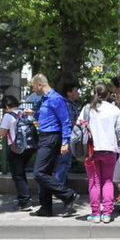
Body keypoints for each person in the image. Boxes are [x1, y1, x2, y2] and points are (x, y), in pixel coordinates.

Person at [24, 74, 79, 217]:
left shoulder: (55, 98)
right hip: (45, 137)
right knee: (45, 173)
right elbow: (48, 118)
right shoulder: (46, 98)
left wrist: (65, 142)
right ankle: (46, 208)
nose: (32, 88)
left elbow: (65, 121)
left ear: (40, 84)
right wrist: (34, 114)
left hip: (51, 138)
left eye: (33, 85)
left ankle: (68, 194)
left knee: (38, 173)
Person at [80, 83, 120, 223]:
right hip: (109, 149)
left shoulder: (87, 109)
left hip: (91, 150)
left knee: (94, 182)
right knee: (107, 181)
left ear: (94, 93)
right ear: (108, 95)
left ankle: (95, 213)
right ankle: (106, 213)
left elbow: (80, 127)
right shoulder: (114, 110)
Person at [0, 95, 35, 210]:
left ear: (7, 106)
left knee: (18, 175)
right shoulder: (25, 112)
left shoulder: (8, 116)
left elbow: (2, 133)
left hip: (16, 149)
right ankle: (25, 197)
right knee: (21, 173)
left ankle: (25, 201)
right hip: (30, 148)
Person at [53, 83, 79, 186]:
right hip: (66, 136)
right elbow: (68, 121)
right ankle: (58, 187)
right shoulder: (66, 105)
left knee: (65, 163)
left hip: (69, 136)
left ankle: (62, 186)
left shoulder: (72, 104)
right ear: (69, 93)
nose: (77, 93)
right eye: (75, 91)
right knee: (64, 163)